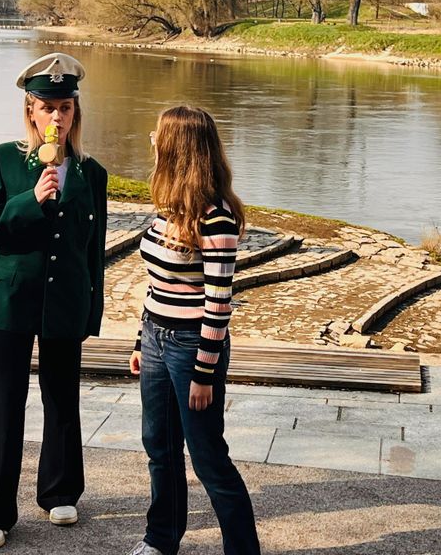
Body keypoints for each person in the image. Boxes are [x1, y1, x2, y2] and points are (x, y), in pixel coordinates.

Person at [0, 52, 108, 549]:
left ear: (75, 113)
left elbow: (95, 249)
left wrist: (93, 310)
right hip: (10, 301)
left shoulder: (92, 172)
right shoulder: (2, 159)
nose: (57, 116)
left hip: (66, 301)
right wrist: (31, 200)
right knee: (6, 401)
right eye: (47, 107)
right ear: (30, 110)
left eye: (65, 107)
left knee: (63, 398)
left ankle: (60, 491)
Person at [126, 106, 260, 555]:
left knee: (207, 457)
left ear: (179, 148)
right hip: (157, 340)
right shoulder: (168, 208)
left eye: (158, 135)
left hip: (191, 348)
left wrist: (204, 373)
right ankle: (161, 539)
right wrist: (141, 342)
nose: (151, 140)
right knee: (158, 448)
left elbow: (219, 303)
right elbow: (156, 283)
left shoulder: (216, 219)